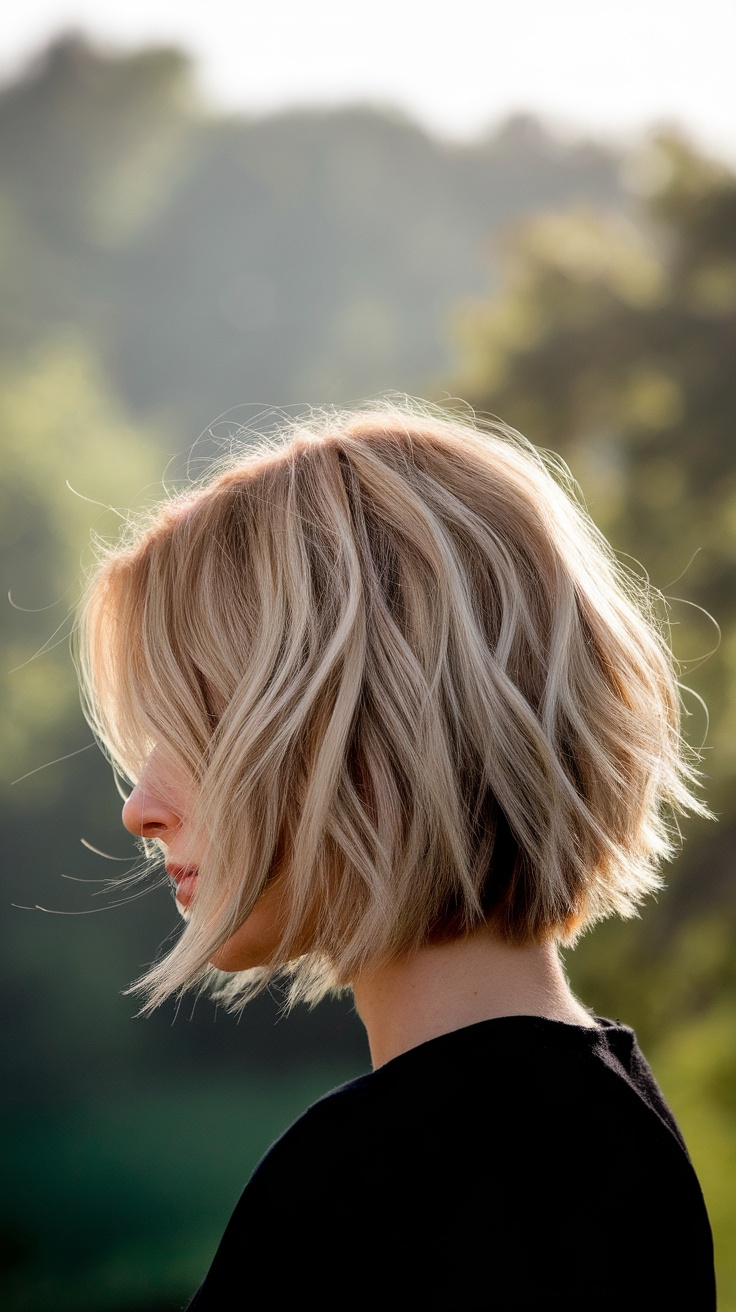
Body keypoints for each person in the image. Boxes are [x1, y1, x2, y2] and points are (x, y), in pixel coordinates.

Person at [78, 400, 716, 1309]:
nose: (141, 809)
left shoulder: (407, 1177)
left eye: (198, 727)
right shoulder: (597, 1131)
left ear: (366, 735)